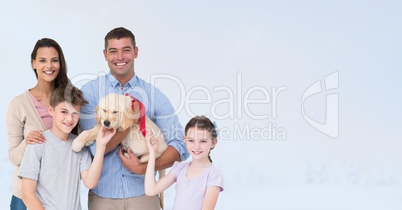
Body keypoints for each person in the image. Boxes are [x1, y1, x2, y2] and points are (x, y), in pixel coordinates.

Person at [79, 27, 189, 210]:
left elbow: (179, 145)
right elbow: (93, 148)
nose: (120, 57)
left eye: (126, 50)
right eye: (113, 51)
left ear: (136, 52)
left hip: (144, 196)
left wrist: (143, 168)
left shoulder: (153, 95)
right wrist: (131, 121)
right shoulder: (90, 94)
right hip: (103, 198)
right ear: (105, 55)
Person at [18, 84, 117, 209]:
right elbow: (27, 194)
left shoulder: (79, 145)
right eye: (64, 112)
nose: (69, 118)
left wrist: (101, 146)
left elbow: (90, 182)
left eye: (75, 113)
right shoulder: (38, 144)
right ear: (51, 110)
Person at [7, 38, 71, 210]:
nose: (48, 66)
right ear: (33, 63)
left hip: (60, 196)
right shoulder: (18, 105)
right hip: (25, 197)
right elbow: (13, 157)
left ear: (60, 63)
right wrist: (27, 142)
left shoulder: (70, 100)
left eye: (54, 60)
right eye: (42, 60)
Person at [145, 115, 224, 210]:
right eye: (191, 140)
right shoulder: (179, 168)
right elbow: (150, 190)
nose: (196, 146)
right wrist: (152, 153)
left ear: (213, 142)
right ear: (184, 139)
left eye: (203, 141)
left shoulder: (213, 175)